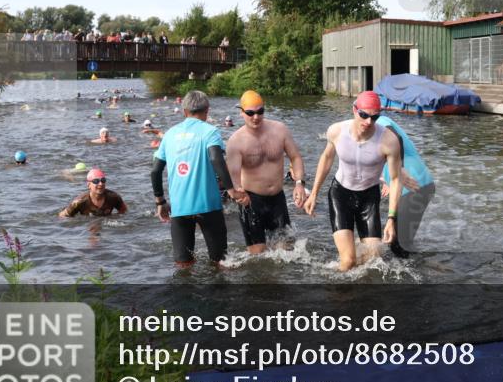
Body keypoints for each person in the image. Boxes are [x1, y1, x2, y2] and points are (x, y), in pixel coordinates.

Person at [304, 91, 402, 271]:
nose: (368, 122)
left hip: (369, 197)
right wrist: (314, 193)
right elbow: (326, 159)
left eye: (375, 117)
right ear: (354, 110)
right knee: (348, 262)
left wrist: (391, 219)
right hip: (341, 195)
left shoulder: (389, 140)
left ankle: (355, 247)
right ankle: (339, 295)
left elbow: (395, 179)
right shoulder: (337, 131)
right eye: (364, 115)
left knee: (373, 259)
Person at [150, 90, 247, 268]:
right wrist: (232, 190)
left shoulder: (170, 134)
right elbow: (216, 159)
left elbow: (155, 171)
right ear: (207, 111)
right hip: (208, 206)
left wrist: (160, 201)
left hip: (179, 208)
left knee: (184, 265)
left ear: (184, 111)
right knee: (220, 262)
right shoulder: (210, 131)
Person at [225, 91, 306, 255]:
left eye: (260, 111)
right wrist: (236, 193)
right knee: (258, 256)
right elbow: (232, 175)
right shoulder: (236, 141)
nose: (256, 117)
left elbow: (295, 157)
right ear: (242, 112)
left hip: (277, 199)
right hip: (251, 201)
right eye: (250, 113)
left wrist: (299, 184)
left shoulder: (280, 130)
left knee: (286, 253)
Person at [376, 115, 436, 257]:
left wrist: (400, 168)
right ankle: (424, 265)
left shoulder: (380, 121)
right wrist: (386, 181)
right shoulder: (369, 130)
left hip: (416, 185)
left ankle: (427, 270)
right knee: (396, 240)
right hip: (410, 187)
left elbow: (396, 138)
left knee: (399, 244)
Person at [59, 168, 128, 217]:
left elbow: (124, 212)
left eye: (103, 180)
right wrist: (71, 208)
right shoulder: (80, 201)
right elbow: (62, 216)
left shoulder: (114, 197)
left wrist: (113, 218)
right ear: (89, 185)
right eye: (96, 181)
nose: (101, 184)